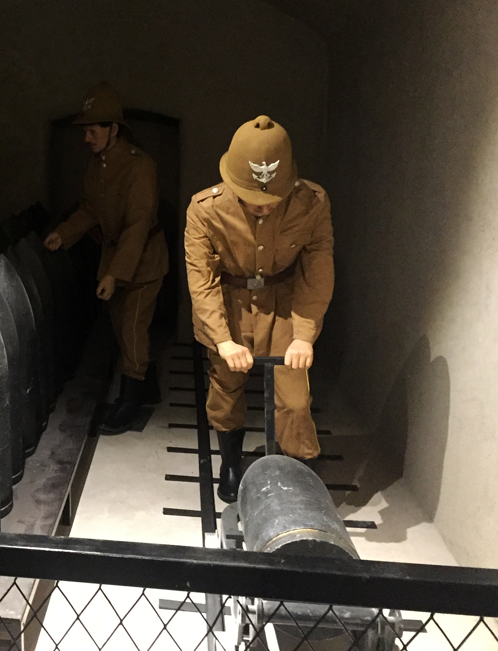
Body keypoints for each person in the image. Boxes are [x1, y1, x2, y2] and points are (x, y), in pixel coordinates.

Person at [184, 115, 333, 502]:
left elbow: (318, 271)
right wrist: (222, 340)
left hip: (285, 304)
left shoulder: (311, 203)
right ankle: (231, 462)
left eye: (272, 198)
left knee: (294, 398)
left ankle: (297, 468)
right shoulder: (205, 209)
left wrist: (304, 336)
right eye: (252, 198)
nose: (263, 208)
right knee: (225, 389)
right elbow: (202, 281)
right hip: (229, 304)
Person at [44, 82, 169, 434]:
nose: (87, 137)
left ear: (114, 129)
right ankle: (146, 389)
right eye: (85, 130)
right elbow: (90, 209)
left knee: (132, 329)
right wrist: (64, 233)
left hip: (142, 261)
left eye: (93, 130)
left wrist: (115, 274)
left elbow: (138, 225)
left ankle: (131, 403)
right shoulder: (97, 165)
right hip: (116, 255)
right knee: (121, 327)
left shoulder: (140, 167)